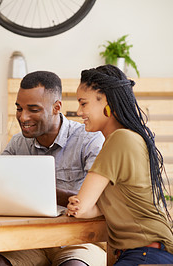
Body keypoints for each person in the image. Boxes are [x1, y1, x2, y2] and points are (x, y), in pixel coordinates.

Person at [0, 71, 106, 266]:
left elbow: (97, 201)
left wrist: (44, 193)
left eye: (33, 109)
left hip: (78, 240)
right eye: (19, 108)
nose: (23, 117)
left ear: (57, 107)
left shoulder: (89, 140)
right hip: (30, 242)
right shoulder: (18, 144)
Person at [67, 64, 173, 265]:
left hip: (146, 254)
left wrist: (79, 206)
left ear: (105, 100)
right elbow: (94, 209)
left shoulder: (121, 139)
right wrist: (80, 206)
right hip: (144, 253)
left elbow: (82, 207)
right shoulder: (123, 139)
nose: (79, 111)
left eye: (83, 103)